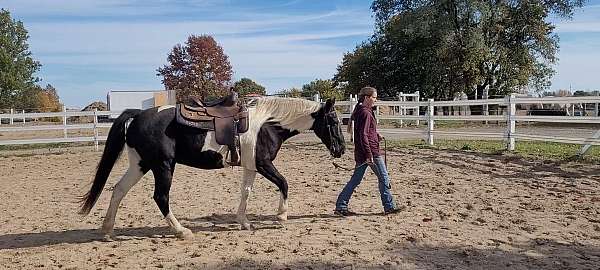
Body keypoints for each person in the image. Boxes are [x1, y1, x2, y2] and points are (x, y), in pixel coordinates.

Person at [334, 87, 402, 216]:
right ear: (367, 98)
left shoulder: (362, 111)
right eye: (374, 97)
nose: (376, 100)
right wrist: (369, 154)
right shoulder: (365, 112)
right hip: (371, 152)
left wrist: (376, 135)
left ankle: (341, 205)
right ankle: (389, 207)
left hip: (362, 151)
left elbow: (365, 132)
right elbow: (363, 134)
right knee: (384, 178)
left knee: (356, 180)